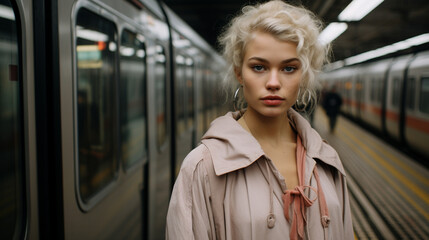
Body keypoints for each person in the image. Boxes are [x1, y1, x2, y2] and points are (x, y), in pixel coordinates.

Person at [166, 1, 353, 239]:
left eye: (288, 69)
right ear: (238, 72)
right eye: (258, 67)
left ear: (303, 75)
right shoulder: (202, 169)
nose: (273, 82)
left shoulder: (327, 162)